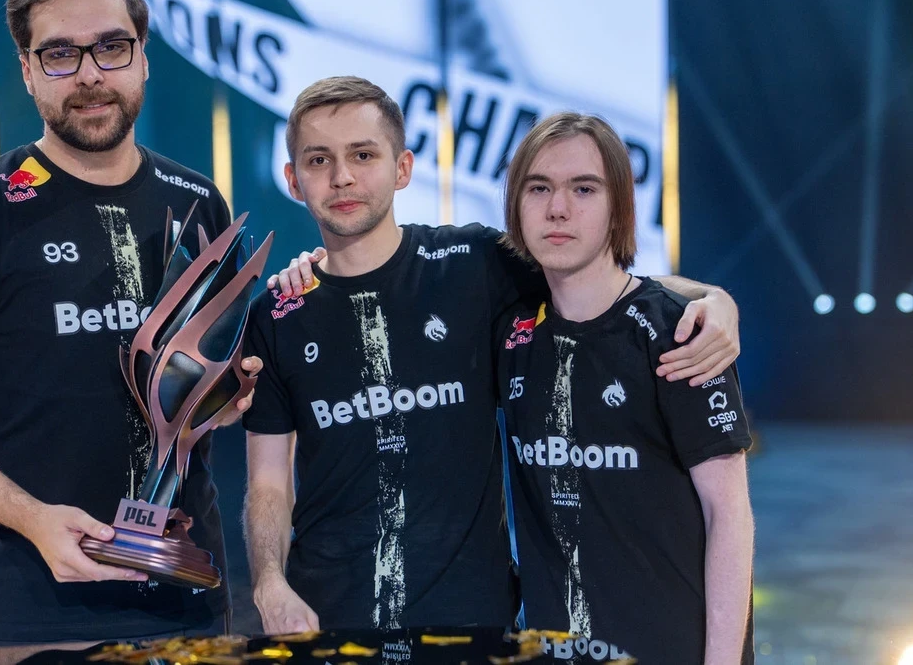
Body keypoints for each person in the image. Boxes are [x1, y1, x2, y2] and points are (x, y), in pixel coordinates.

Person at [244, 77, 739, 635]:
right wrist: (269, 582)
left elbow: (606, 281)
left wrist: (713, 300)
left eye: (363, 155)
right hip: (324, 623)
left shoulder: (473, 262)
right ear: (293, 179)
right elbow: (268, 482)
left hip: (472, 625)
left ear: (403, 168)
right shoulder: (277, 314)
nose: (342, 177)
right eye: (318, 160)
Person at [0, 0, 258, 649]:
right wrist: (32, 518)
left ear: (143, 58)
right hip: (27, 613)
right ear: (27, 71)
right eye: (60, 54)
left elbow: (201, 399)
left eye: (112, 47)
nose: (90, 74)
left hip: (186, 600)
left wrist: (225, 400)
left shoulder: (199, 202)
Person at [498, 112, 754, 663]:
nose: (558, 208)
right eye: (538, 188)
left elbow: (728, 515)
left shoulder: (680, 334)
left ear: (619, 208)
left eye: (584, 189)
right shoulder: (509, 328)